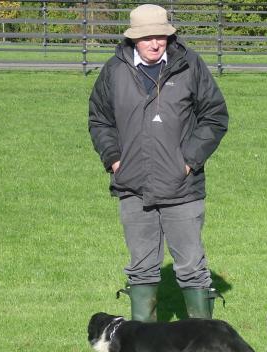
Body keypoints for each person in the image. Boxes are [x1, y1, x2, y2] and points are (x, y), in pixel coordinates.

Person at [88, 4, 228, 322]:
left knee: (192, 268)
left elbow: (215, 115)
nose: (155, 43)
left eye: (161, 37)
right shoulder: (114, 70)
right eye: (147, 37)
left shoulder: (190, 65)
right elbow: (99, 119)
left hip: (182, 187)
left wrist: (189, 161)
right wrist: (113, 159)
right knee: (141, 270)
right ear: (133, 39)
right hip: (132, 186)